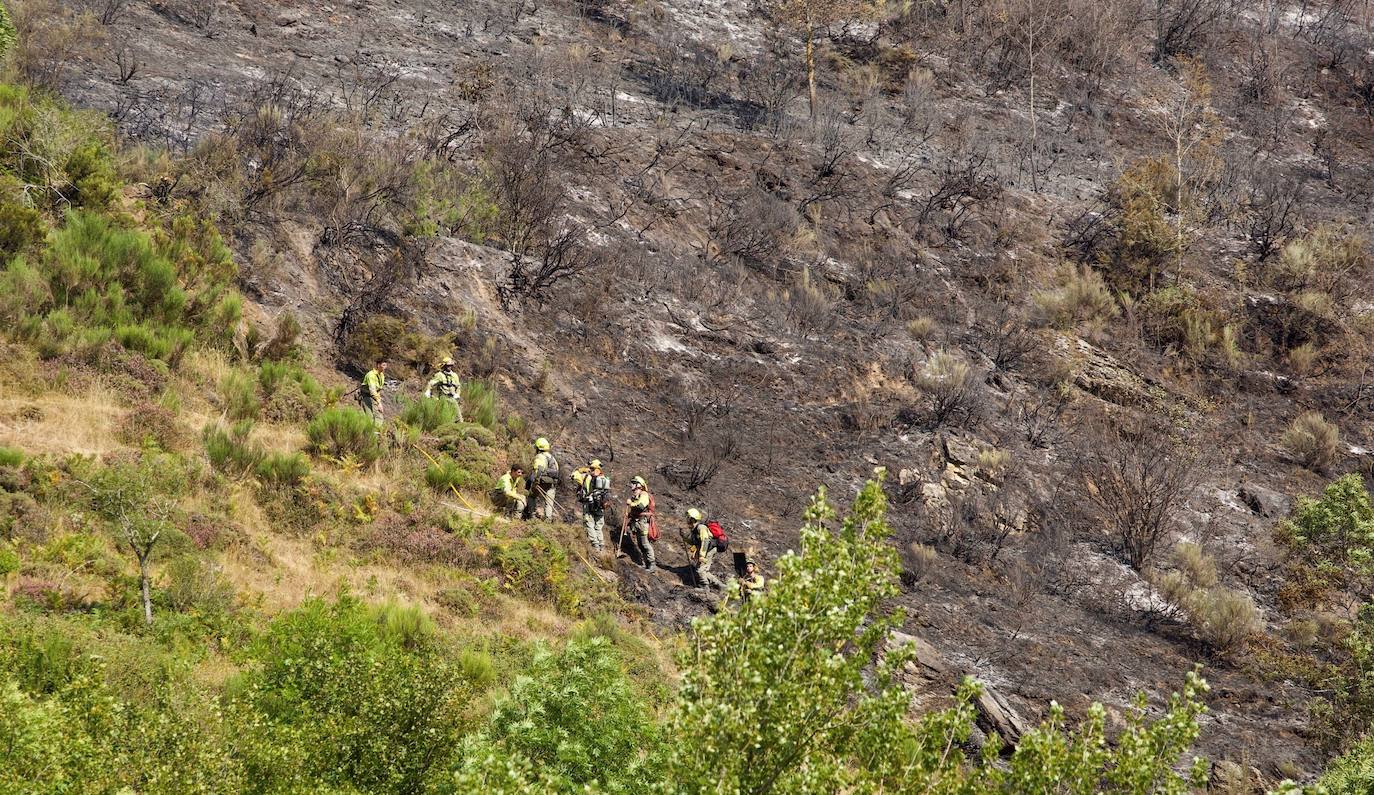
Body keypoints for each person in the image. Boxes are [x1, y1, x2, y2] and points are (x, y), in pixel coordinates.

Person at [572, 459, 610, 553]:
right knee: (599, 526)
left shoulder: (586, 477)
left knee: (589, 525)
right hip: (600, 505)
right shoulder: (604, 479)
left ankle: (595, 545)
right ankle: (601, 545)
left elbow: (573, 475)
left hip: (589, 504)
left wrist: (582, 469)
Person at [685, 508, 724, 590]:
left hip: (709, 550)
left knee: (700, 570)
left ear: (692, 519)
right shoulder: (694, 529)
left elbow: (705, 541)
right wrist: (684, 537)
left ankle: (704, 587)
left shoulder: (701, 528)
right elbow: (694, 542)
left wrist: (702, 555)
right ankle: (720, 585)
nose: (687, 519)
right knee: (704, 571)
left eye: (688, 518)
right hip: (706, 550)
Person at [525, 437, 560, 521]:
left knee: (531, 496)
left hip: (542, 481)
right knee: (549, 502)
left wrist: (534, 482)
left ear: (538, 448)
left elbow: (538, 469)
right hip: (552, 484)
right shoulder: (552, 458)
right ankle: (548, 519)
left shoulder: (539, 456)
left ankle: (532, 516)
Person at [626, 476, 656, 572]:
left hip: (643, 523)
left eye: (633, 484)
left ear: (639, 485)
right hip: (637, 522)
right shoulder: (635, 496)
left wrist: (631, 504)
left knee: (645, 543)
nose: (632, 486)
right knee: (640, 544)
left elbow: (640, 506)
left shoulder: (644, 495)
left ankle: (652, 565)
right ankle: (646, 564)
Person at [359, 357, 388, 431]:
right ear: (378, 365)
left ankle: (376, 433)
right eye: (383, 365)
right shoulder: (371, 375)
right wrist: (379, 403)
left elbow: (378, 390)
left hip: (374, 397)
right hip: (366, 396)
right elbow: (372, 390)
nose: (385, 367)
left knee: (379, 416)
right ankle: (368, 434)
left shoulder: (381, 375)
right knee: (369, 416)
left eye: (386, 365)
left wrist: (378, 401)